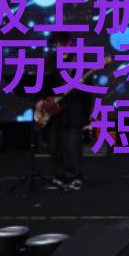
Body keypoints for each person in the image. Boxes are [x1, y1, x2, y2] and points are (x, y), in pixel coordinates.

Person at [38, 36, 93, 191]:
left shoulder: (79, 60)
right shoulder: (51, 60)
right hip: (54, 111)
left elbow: (88, 90)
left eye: (61, 43)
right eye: (56, 43)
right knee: (55, 146)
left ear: (69, 43)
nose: (58, 46)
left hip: (74, 109)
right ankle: (59, 177)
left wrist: (86, 114)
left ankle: (75, 177)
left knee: (72, 146)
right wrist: (45, 101)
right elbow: (43, 83)